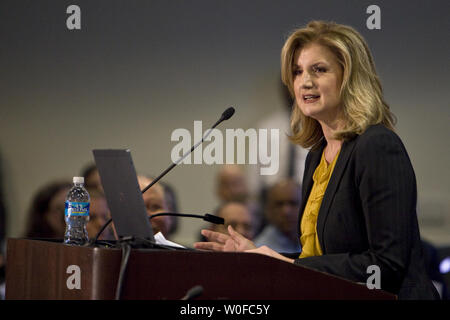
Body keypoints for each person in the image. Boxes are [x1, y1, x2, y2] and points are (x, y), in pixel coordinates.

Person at [195, 21, 439, 299]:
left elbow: (386, 266)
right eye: (297, 72)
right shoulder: (317, 155)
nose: (305, 81)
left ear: (349, 77)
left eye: (319, 70)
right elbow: (321, 257)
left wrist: (283, 262)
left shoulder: (376, 145)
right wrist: (258, 257)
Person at [253, 179, 302, 253]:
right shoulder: (260, 251)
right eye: (279, 204)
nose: (286, 211)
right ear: (268, 210)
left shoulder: (316, 242)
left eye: (293, 203)